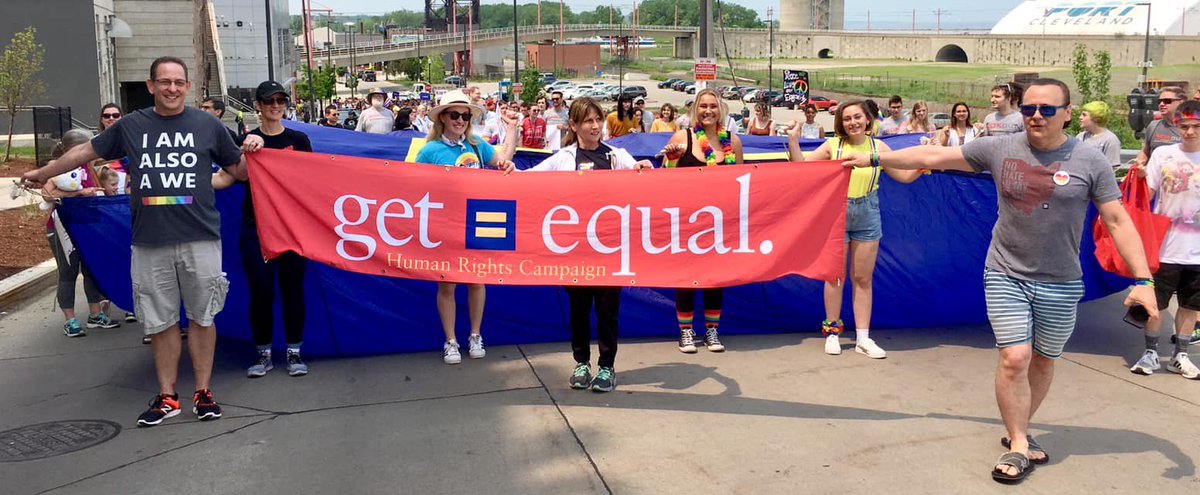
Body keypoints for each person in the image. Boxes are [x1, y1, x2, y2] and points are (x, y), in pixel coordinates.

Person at [843, 78, 1158, 483]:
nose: (1036, 116)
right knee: (1015, 358)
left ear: (1066, 112)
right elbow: (935, 155)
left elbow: (1117, 220)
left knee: (1044, 360)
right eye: (1029, 109)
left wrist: (1144, 280)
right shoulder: (999, 147)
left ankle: (1018, 428)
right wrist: (873, 158)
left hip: (1061, 281)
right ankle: (1019, 443)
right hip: (1006, 272)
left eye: (1047, 109)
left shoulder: (1090, 161)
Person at [22, 56, 265, 428]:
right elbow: (84, 152)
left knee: (202, 317)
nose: (172, 88)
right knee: (160, 321)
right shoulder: (133, 125)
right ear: (151, 86)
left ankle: (203, 392)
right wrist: (44, 172)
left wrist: (256, 143)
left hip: (200, 239)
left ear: (187, 87)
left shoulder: (207, 125)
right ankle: (168, 396)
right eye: (164, 81)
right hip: (150, 242)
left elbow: (241, 171)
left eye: (178, 82)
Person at [518, 97, 652, 392]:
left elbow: (639, 172)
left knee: (607, 311)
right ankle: (581, 363)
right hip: (575, 249)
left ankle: (606, 367)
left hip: (609, 249)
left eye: (598, 119)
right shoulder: (563, 158)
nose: (595, 126)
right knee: (579, 309)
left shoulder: (616, 155)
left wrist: (642, 166)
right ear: (574, 125)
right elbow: (526, 180)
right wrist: (506, 171)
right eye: (588, 120)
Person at [785, 101, 922, 360]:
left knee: (862, 279)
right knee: (834, 277)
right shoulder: (833, 146)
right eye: (847, 119)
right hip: (835, 214)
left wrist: (925, 163)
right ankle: (832, 333)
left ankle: (862, 338)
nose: (853, 122)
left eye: (857, 117)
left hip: (868, 213)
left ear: (867, 119)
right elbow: (800, 167)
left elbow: (903, 176)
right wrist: (793, 139)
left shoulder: (878, 148)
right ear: (841, 123)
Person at [213, 81, 313, 378]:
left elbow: (314, 181)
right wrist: (184, 181)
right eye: (269, 101)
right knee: (261, 292)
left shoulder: (299, 139)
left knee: (293, 291)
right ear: (258, 105)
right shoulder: (245, 141)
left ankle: (294, 352)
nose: (276, 105)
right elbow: (227, 178)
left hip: (292, 229)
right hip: (255, 228)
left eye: (281, 100)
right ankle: (263, 354)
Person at [413, 89, 518, 364]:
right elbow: (410, 183)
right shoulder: (430, 151)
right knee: (447, 285)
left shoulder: (476, 145)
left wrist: (512, 129)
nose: (460, 120)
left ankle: (475, 335)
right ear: (442, 118)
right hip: (445, 226)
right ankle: (450, 341)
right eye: (454, 115)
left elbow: (502, 159)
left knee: (476, 280)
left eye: (465, 115)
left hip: (475, 224)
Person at [659, 88, 745, 353]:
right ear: (695, 109)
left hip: (719, 224)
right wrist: (671, 160)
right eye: (703, 106)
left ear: (721, 109)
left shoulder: (733, 142)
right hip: (687, 222)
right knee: (687, 278)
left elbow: (741, 182)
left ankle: (712, 330)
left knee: (715, 278)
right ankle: (686, 332)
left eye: (713, 106)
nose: (708, 111)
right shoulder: (682, 137)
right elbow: (662, 180)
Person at [1129, 100, 1200, 379]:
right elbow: (1145, 197)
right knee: (1155, 304)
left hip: (1197, 250)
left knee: (1190, 305)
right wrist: (1140, 177)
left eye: (1196, 126)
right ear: (1176, 126)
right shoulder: (1163, 154)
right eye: (1184, 126)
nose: (1190, 132)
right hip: (1165, 246)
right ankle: (1150, 353)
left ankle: (1180, 356)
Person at [42, 129, 118, 337]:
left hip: (87, 226)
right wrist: (78, 193)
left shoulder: (88, 166)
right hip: (63, 228)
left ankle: (95, 314)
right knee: (68, 272)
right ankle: (70, 320)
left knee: (91, 269)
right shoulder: (57, 167)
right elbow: (47, 193)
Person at [1136, 86, 1186, 167]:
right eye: (1159, 101)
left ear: (1181, 103)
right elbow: (1145, 151)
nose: (1162, 104)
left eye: (1167, 101)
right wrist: (1140, 162)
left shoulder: (1190, 129)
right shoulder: (1153, 126)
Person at [1076, 101, 1122, 169]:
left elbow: (1111, 169)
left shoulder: (1110, 140)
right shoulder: (1080, 137)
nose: (1080, 117)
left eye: (1084, 115)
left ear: (1096, 119)